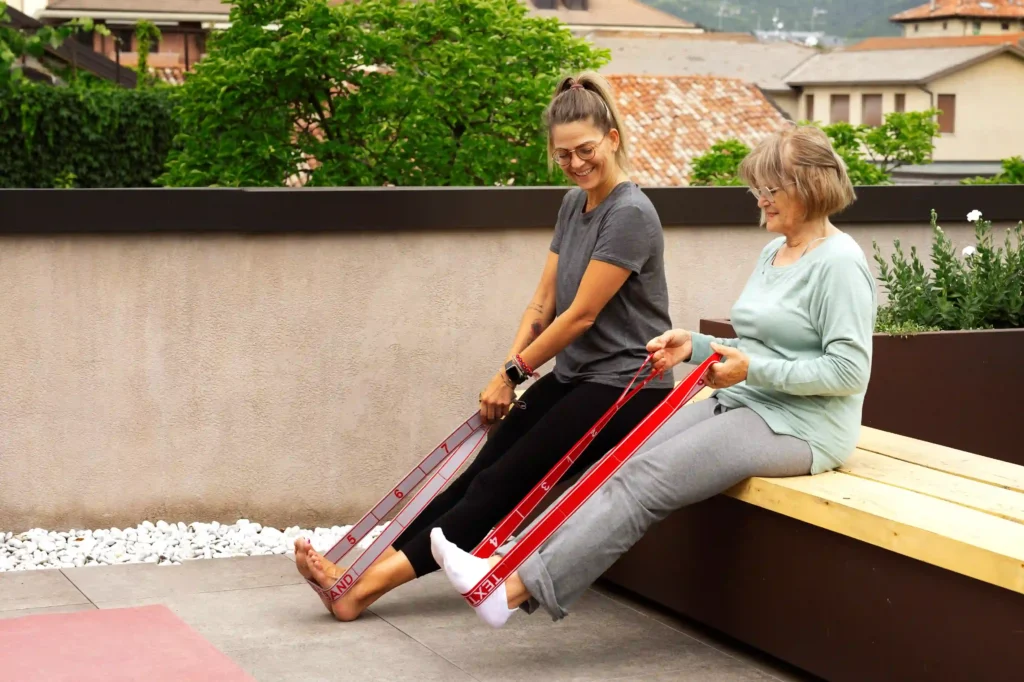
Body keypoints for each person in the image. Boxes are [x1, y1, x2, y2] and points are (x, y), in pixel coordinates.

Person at [430, 123, 878, 628]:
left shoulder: (839, 264)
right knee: (621, 460)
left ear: (809, 185)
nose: (760, 201)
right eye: (757, 189)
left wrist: (752, 368)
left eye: (769, 190)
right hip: (747, 401)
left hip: (801, 426)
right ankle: (505, 564)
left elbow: (848, 371)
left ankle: (509, 593)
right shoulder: (773, 252)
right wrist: (696, 345)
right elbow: (757, 345)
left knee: (645, 480)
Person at [297, 71, 677, 621]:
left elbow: (580, 315)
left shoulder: (631, 214)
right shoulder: (575, 205)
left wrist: (514, 374)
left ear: (612, 138)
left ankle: (358, 590)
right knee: (480, 471)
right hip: (576, 378)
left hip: (628, 387)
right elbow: (542, 303)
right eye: (563, 154)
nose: (575, 163)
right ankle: (355, 573)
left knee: (501, 483)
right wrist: (509, 369)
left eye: (586, 150)